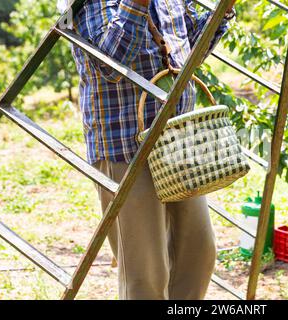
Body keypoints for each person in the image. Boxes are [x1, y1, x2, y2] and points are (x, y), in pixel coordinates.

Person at [63, 0, 237, 299]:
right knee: (146, 275)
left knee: (199, 252)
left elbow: (188, 51)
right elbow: (111, 64)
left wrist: (224, 10)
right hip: (124, 144)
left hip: (175, 139)